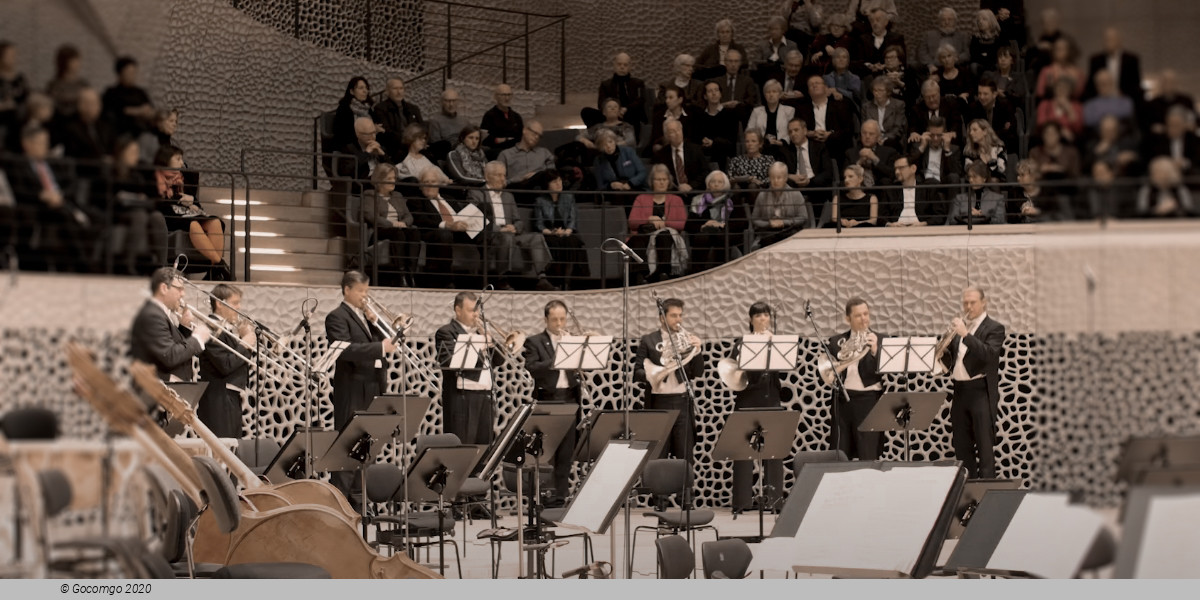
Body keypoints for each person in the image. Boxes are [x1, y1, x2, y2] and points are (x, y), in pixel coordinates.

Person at [325, 270, 398, 499]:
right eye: (360, 291)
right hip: (353, 391)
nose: (365, 296)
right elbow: (344, 350)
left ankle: (358, 506)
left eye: (367, 291)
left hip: (372, 389)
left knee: (366, 452)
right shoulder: (336, 316)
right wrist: (379, 348)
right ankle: (339, 505)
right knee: (348, 452)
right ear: (347, 290)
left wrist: (375, 324)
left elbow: (380, 343)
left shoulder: (366, 318)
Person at [936, 287, 1005, 479]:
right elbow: (954, 360)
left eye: (972, 302)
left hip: (980, 392)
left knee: (984, 447)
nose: (968, 306)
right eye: (965, 302)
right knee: (962, 446)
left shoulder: (994, 328)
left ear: (984, 302)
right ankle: (966, 493)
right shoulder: (961, 328)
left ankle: (986, 495)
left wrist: (966, 335)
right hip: (960, 391)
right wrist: (941, 355)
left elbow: (988, 355)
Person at [522, 299, 585, 504]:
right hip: (548, 399)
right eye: (555, 319)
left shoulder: (572, 340)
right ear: (546, 319)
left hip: (569, 398)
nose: (559, 324)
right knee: (547, 452)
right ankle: (545, 498)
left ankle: (561, 496)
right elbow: (532, 367)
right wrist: (558, 356)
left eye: (562, 319)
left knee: (566, 452)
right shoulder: (535, 341)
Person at [729, 302, 785, 514]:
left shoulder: (777, 341)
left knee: (774, 449)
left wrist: (774, 345)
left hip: (771, 398)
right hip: (748, 398)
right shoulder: (741, 343)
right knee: (744, 450)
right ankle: (741, 502)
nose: (763, 319)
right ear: (751, 319)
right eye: (759, 316)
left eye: (766, 316)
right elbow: (734, 371)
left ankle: (774, 500)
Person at [634, 297, 704, 463]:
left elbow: (698, 372)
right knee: (658, 455)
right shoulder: (649, 340)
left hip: (682, 402)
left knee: (685, 457)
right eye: (673, 315)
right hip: (659, 403)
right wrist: (654, 374)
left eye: (680, 315)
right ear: (662, 317)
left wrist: (698, 351)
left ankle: (686, 490)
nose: (678, 320)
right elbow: (637, 372)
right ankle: (658, 489)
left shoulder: (687, 340)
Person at [470, 161, 556, 291]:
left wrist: (515, 227)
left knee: (536, 238)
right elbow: (476, 220)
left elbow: (518, 220)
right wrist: (500, 229)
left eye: (504, 175)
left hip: (511, 232)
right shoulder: (477, 194)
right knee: (506, 237)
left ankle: (541, 278)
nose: (502, 179)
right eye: (498, 175)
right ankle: (501, 278)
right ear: (487, 177)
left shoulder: (508, 196)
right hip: (491, 235)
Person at [435, 292, 504, 445]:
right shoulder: (446, 332)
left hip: (485, 396)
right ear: (458, 310)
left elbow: (499, 360)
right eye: (471, 310)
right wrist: (481, 346)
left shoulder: (482, 331)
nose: (476, 314)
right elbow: (450, 362)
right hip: (462, 398)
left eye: (477, 310)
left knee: (484, 447)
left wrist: (491, 341)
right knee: (463, 448)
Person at [153, 144, 229, 280]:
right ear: (166, 160)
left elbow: (196, 205)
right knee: (193, 224)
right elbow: (156, 201)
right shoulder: (157, 177)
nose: (182, 162)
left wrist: (192, 201)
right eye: (178, 159)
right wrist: (174, 198)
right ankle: (218, 266)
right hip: (169, 213)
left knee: (215, 222)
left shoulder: (184, 178)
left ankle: (213, 271)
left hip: (186, 212)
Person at [130, 267, 212, 383]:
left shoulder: (160, 313)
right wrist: (197, 339)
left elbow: (173, 344)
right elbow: (169, 356)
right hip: (158, 391)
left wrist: (184, 326)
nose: (183, 294)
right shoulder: (153, 315)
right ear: (164, 288)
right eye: (180, 289)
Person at [826, 297, 883, 461]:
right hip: (843, 401)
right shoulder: (837, 341)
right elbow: (828, 372)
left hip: (869, 401)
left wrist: (874, 350)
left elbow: (881, 372)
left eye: (866, 314)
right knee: (841, 453)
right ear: (847, 319)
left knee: (868, 454)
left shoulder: (880, 339)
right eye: (858, 315)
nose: (864, 318)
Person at [197, 283, 255, 438]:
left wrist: (244, 343)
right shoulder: (210, 328)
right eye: (235, 303)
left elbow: (238, 360)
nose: (239, 307)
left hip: (229, 397)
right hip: (218, 400)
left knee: (233, 448)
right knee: (222, 450)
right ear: (219, 303)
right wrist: (245, 343)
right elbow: (226, 365)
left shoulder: (227, 329)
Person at [407, 166, 480, 287]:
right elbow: (421, 220)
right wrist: (447, 225)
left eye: (433, 182)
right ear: (420, 186)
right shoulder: (416, 200)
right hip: (435, 233)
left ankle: (490, 276)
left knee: (483, 212)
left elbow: (462, 215)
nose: (430, 185)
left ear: (439, 184)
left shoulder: (450, 199)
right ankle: (446, 280)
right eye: (426, 182)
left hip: (459, 232)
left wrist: (466, 223)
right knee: (444, 234)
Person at [359, 163, 419, 287]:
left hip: (398, 229)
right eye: (389, 179)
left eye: (394, 178)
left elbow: (409, 216)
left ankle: (411, 274)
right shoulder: (369, 195)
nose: (393, 182)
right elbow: (370, 216)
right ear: (379, 180)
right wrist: (392, 223)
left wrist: (403, 223)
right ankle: (400, 275)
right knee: (398, 233)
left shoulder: (398, 196)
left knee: (414, 232)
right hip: (380, 230)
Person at [628, 164, 688, 283]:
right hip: (644, 234)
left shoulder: (676, 200)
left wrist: (663, 223)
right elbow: (632, 222)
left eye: (664, 180)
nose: (661, 182)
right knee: (637, 240)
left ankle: (662, 273)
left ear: (669, 182)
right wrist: (650, 219)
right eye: (658, 179)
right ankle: (641, 276)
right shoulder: (641, 198)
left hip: (666, 235)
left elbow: (682, 224)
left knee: (664, 235)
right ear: (652, 182)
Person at [534, 171, 590, 289]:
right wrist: (552, 232)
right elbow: (539, 224)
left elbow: (573, 219)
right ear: (547, 185)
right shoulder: (540, 201)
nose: (559, 184)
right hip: (550, 233)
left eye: (559, 180)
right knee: (554, 243)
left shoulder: (568, 197)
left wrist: (566, 231)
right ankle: (556, 282)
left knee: (570, 242)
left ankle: (566, 282)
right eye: (554, 182)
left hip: (567, 233)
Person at [686, 170, 740, 274]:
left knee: (722, 237)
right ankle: (697, 273)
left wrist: (722, 225)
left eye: (720, 182)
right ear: (708, 184)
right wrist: (703, 225)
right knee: (702, 237)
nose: (716, 184)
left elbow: (742, 222)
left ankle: (721, 272)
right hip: (705, 233)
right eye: (713, 181)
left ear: (725, 185)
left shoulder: (733, 200)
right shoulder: (698, 200)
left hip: (725, 232)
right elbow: (689, 224)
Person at [751, 161, 807, 247]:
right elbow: (755, 219)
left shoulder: (795, 194)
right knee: (767, 241)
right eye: (772, 178)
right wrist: (769, 223)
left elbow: (803, 217)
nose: (775, 181)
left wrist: (785, 222)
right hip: (768, 232)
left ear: (785, 178)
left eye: (779, 178)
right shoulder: (762, 195)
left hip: (790, 229)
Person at [597, 52, 648, 139]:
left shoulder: (638, 83)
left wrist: (625, 109)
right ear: (614, 65)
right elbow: (601, 103)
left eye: (625, 65)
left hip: (631, 114)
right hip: (611, 115)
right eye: (619, 64)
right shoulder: (606, 84)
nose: (622, 67)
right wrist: (614, 110)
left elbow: (641, 100)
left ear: (630, 67)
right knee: (587, 111)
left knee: (636, 112)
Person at [887, 153, 945, 226]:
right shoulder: (890, 190)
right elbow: (881, 217)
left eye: (901, 168)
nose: (897, 172)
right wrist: (890, 224)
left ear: (913, 168)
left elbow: (940, 216)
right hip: (895, 230)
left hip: (921, 230)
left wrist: (924, 224)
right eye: (895, 169)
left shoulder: (928, 189)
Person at [371, 76, 424, 158]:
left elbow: (422, 127)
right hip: (396, 146)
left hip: (416, 144)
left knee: (443, 145)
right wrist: (409, 140)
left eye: (401, 88)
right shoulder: (380, 108)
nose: (399, 92)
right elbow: (386, 132)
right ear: (387, 91)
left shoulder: (413, 108)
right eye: (395, 88)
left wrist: (421, 140)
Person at [101, 56, 154, 137]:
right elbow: (115, 112)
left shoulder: (140, 92)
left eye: (134, 72)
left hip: (142, 130)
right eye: (129, 73)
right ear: (120, 73)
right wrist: (137, 111)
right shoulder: (111, 93)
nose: (132, 76)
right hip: (121, 133)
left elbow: (150, 108)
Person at [652, 118, 708, 193]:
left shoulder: (695, 150)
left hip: (695, 191)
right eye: (673, 132)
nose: (677, 133)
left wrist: (691, 185)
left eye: (678, 130)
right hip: (673, 193)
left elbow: (706, 171)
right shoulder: (662, 154)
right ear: (667, 136)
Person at [497, 119, 556, 191]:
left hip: (540, 193)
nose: (537, 137)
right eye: (534, 133)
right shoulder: (506, 154)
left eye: (539, 136)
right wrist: (518, 179)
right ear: (524, 130)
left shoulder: (545, 153)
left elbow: (553, 177)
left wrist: (536, 175)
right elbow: (497, 183)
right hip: (516, 192)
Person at [593, 128, 647, 198]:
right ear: (600, 147)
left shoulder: (628, 152)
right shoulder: (598, 160)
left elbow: (642, 172)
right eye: (604, 144)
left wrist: (630, 183)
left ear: (615, 141)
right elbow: (600, 185)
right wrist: (610, 185)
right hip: (614, 193)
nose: (608, 146)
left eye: (610, 142)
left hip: (634, 187)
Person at [845, 119, 898, 188]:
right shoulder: (850, 153)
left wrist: (875, 159)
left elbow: (893, 175)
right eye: (864, 133)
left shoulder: (889, 152)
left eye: (871, 134)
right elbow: (844, 177)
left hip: (880, 192)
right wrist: (859, 163)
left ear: (878, 137)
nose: (867, 136)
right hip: (857, 191)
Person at [916, 7, 971, 74]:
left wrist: (953, 60)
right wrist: (930, 65)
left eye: (950, 19)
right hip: (935, 67)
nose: (947, 22)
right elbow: (922, 53)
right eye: (943, 20)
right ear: (939, 21)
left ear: (955, 21)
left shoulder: (963, 36)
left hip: (956, 67)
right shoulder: (929, 35)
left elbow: (967, 54)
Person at [710, 49, 759, 120]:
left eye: (736, 61)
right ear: (725, 62)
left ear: (740, 63)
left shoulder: (747, 81)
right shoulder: (717, 82)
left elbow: (751, 100)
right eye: (730, 61)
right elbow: (711, 101)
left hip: (741, 115)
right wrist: (723, 105)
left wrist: (739, 104)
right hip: (720, 116)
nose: (733, 64)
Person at [746, 80, 794, 150]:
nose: (771, 95)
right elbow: (749, 130)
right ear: (765, 95)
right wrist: (762, 141)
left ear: (780, 94)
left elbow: (792, 131)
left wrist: (781, 142)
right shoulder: (757, 111)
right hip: (761, 148)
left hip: (782, 147)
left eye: (774, 92)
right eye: (768, 92)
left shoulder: (789, 111)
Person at [45, 44, 89, 120]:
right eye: (73, 61)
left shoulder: (83, 84)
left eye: (77, 60)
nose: (77, 64)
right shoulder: (54, 85)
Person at [862, 78, 907, 150]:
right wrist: (875, 138)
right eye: (875, 90)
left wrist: (883, 138)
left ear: (888, 92)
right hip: (871, 138)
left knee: (889, 144)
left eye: (880, 91)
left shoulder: (898, 105)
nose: (876, 93)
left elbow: (898, 128)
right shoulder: (866, 107)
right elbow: (864, 126)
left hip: (891, 139)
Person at [331, 76, 374, 151]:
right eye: (361, 88)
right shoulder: (344, 108)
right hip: (349, 143)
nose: (365, 91)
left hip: (367, 143)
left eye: (366, 88)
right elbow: (341, 132)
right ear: (352, 91)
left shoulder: (368, 109)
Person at [480, 83, 523, 158]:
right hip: (498, 151)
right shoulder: (489, 116)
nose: (507, 98)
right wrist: (505, 139)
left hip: (515, 151)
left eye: (509, 95)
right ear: (496, 97)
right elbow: (484, 140)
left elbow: (521, 137)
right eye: (503, 95)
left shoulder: (516, 117)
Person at [426, 88, 470, 159]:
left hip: (466, 152)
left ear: (458, 102)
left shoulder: (464, 121)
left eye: (454, 101)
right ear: (442, 102)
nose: (451, 104)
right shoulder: (435, 121)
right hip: (447, 154)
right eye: (447, 101)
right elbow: (436, 145)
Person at [832, 164, 878, 228]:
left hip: (863, 230)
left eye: (850, 176)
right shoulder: (837, 198)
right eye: (845, 177)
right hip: (843, 230)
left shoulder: (872, 198)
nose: (846, 180)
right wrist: (841, 221)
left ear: (860, 179)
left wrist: (857, 223)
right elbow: (834, 219)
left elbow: (873, 221)